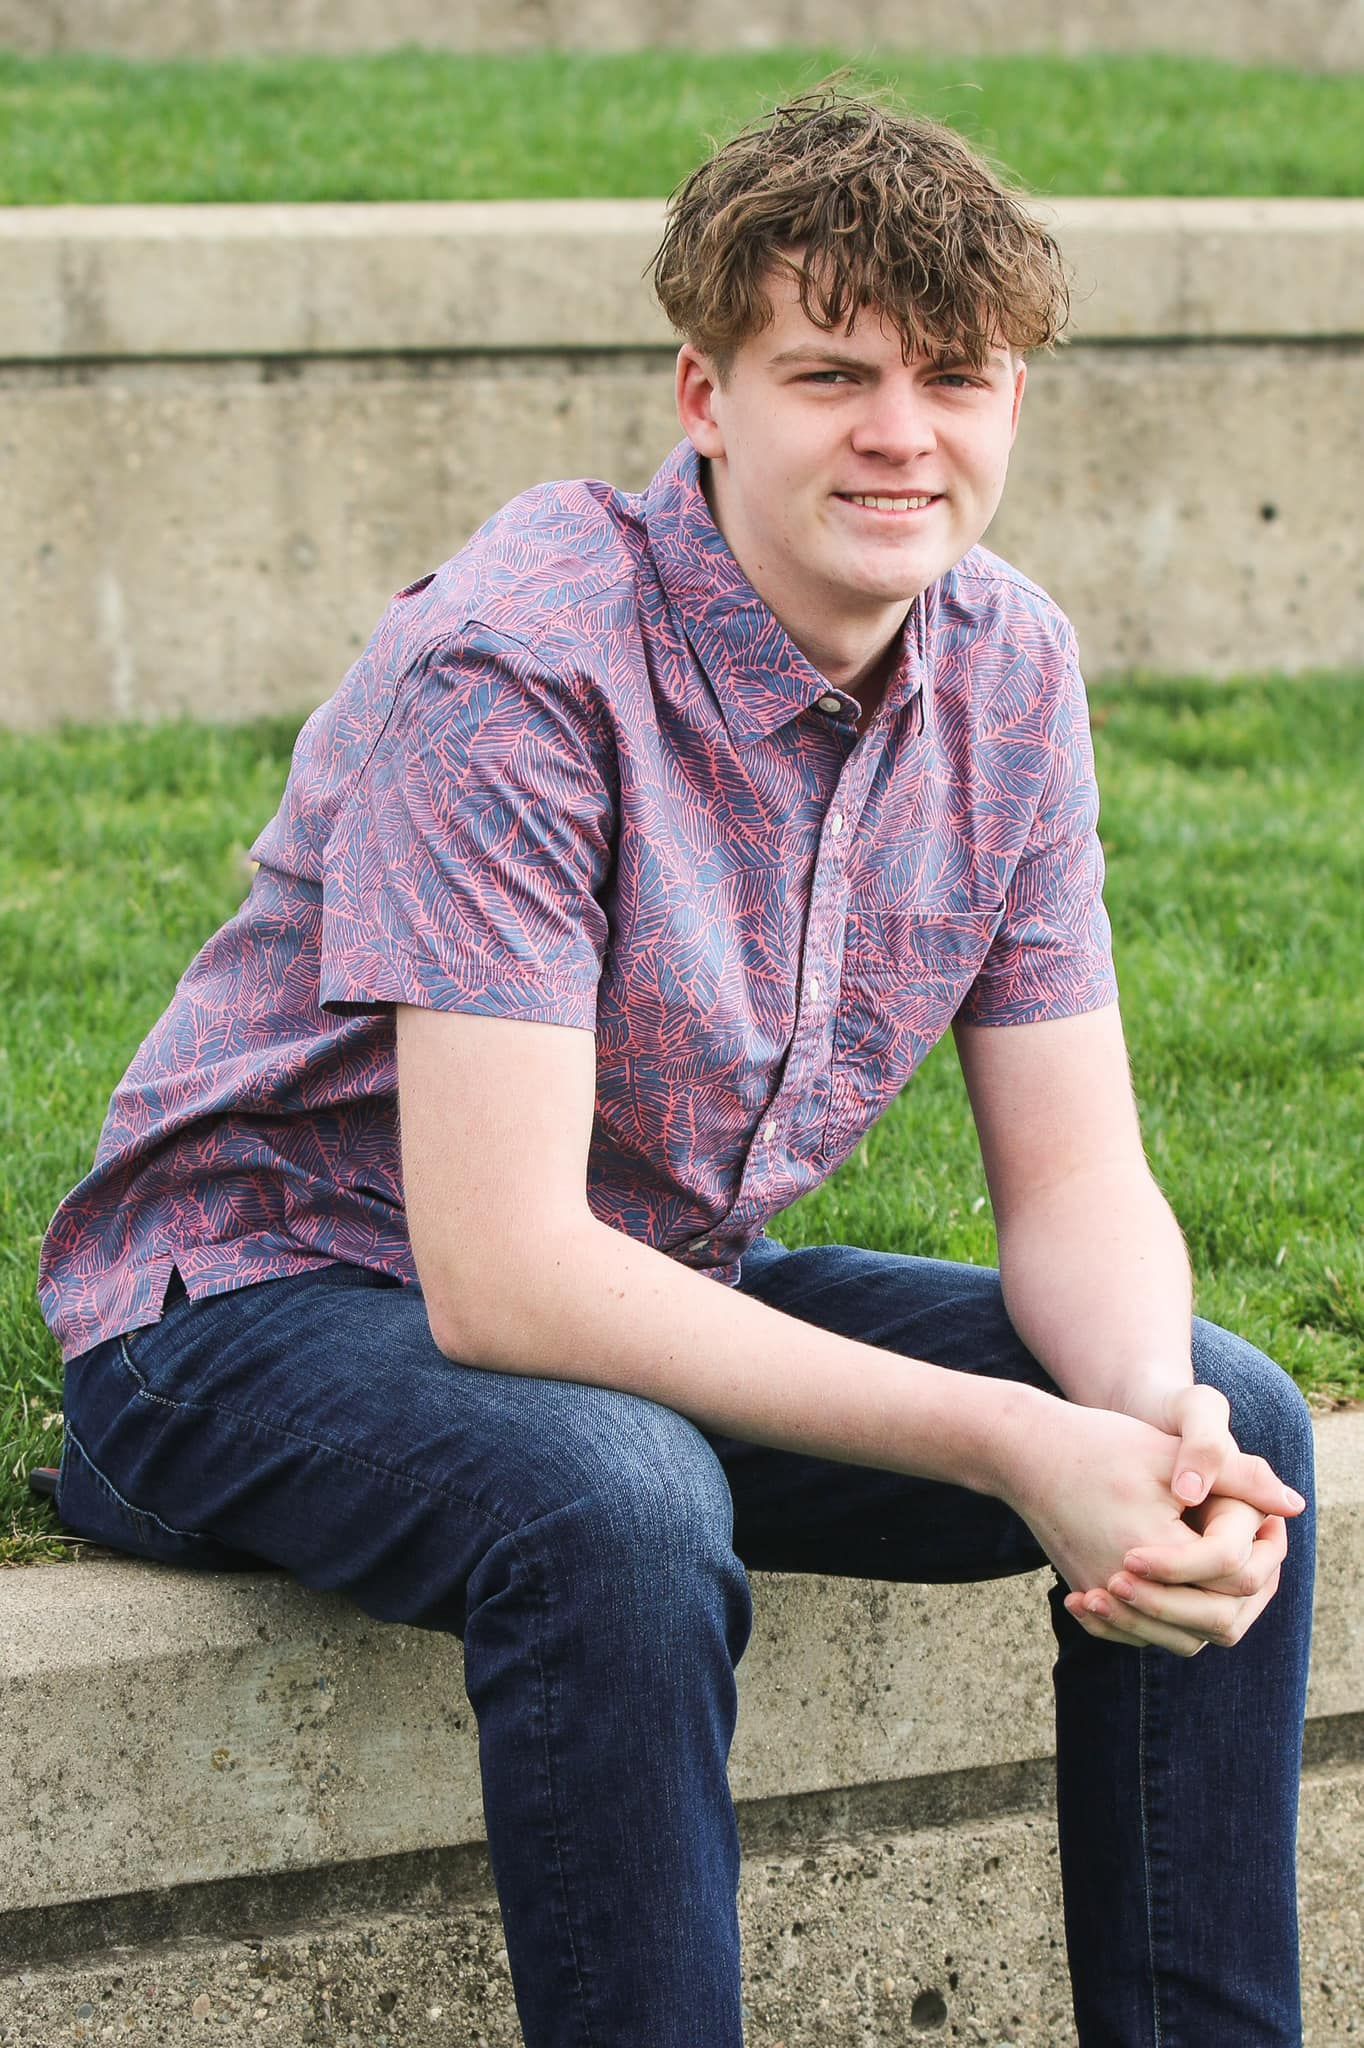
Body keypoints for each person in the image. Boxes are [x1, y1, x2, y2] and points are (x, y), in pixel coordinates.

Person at [39, 90, 1314, 2047]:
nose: (902, 431)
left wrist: (1141, 1425)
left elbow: (1073, 1182)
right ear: (704, 394)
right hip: (243, 1320)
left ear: (1013, 401)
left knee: (1226, 1408)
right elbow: (505, 1274)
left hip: (633, 1299)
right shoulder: (524, 664)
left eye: (953, 375)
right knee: (618, 1505)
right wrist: (1008, 1443)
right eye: (831, 373)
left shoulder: (1005, 669)